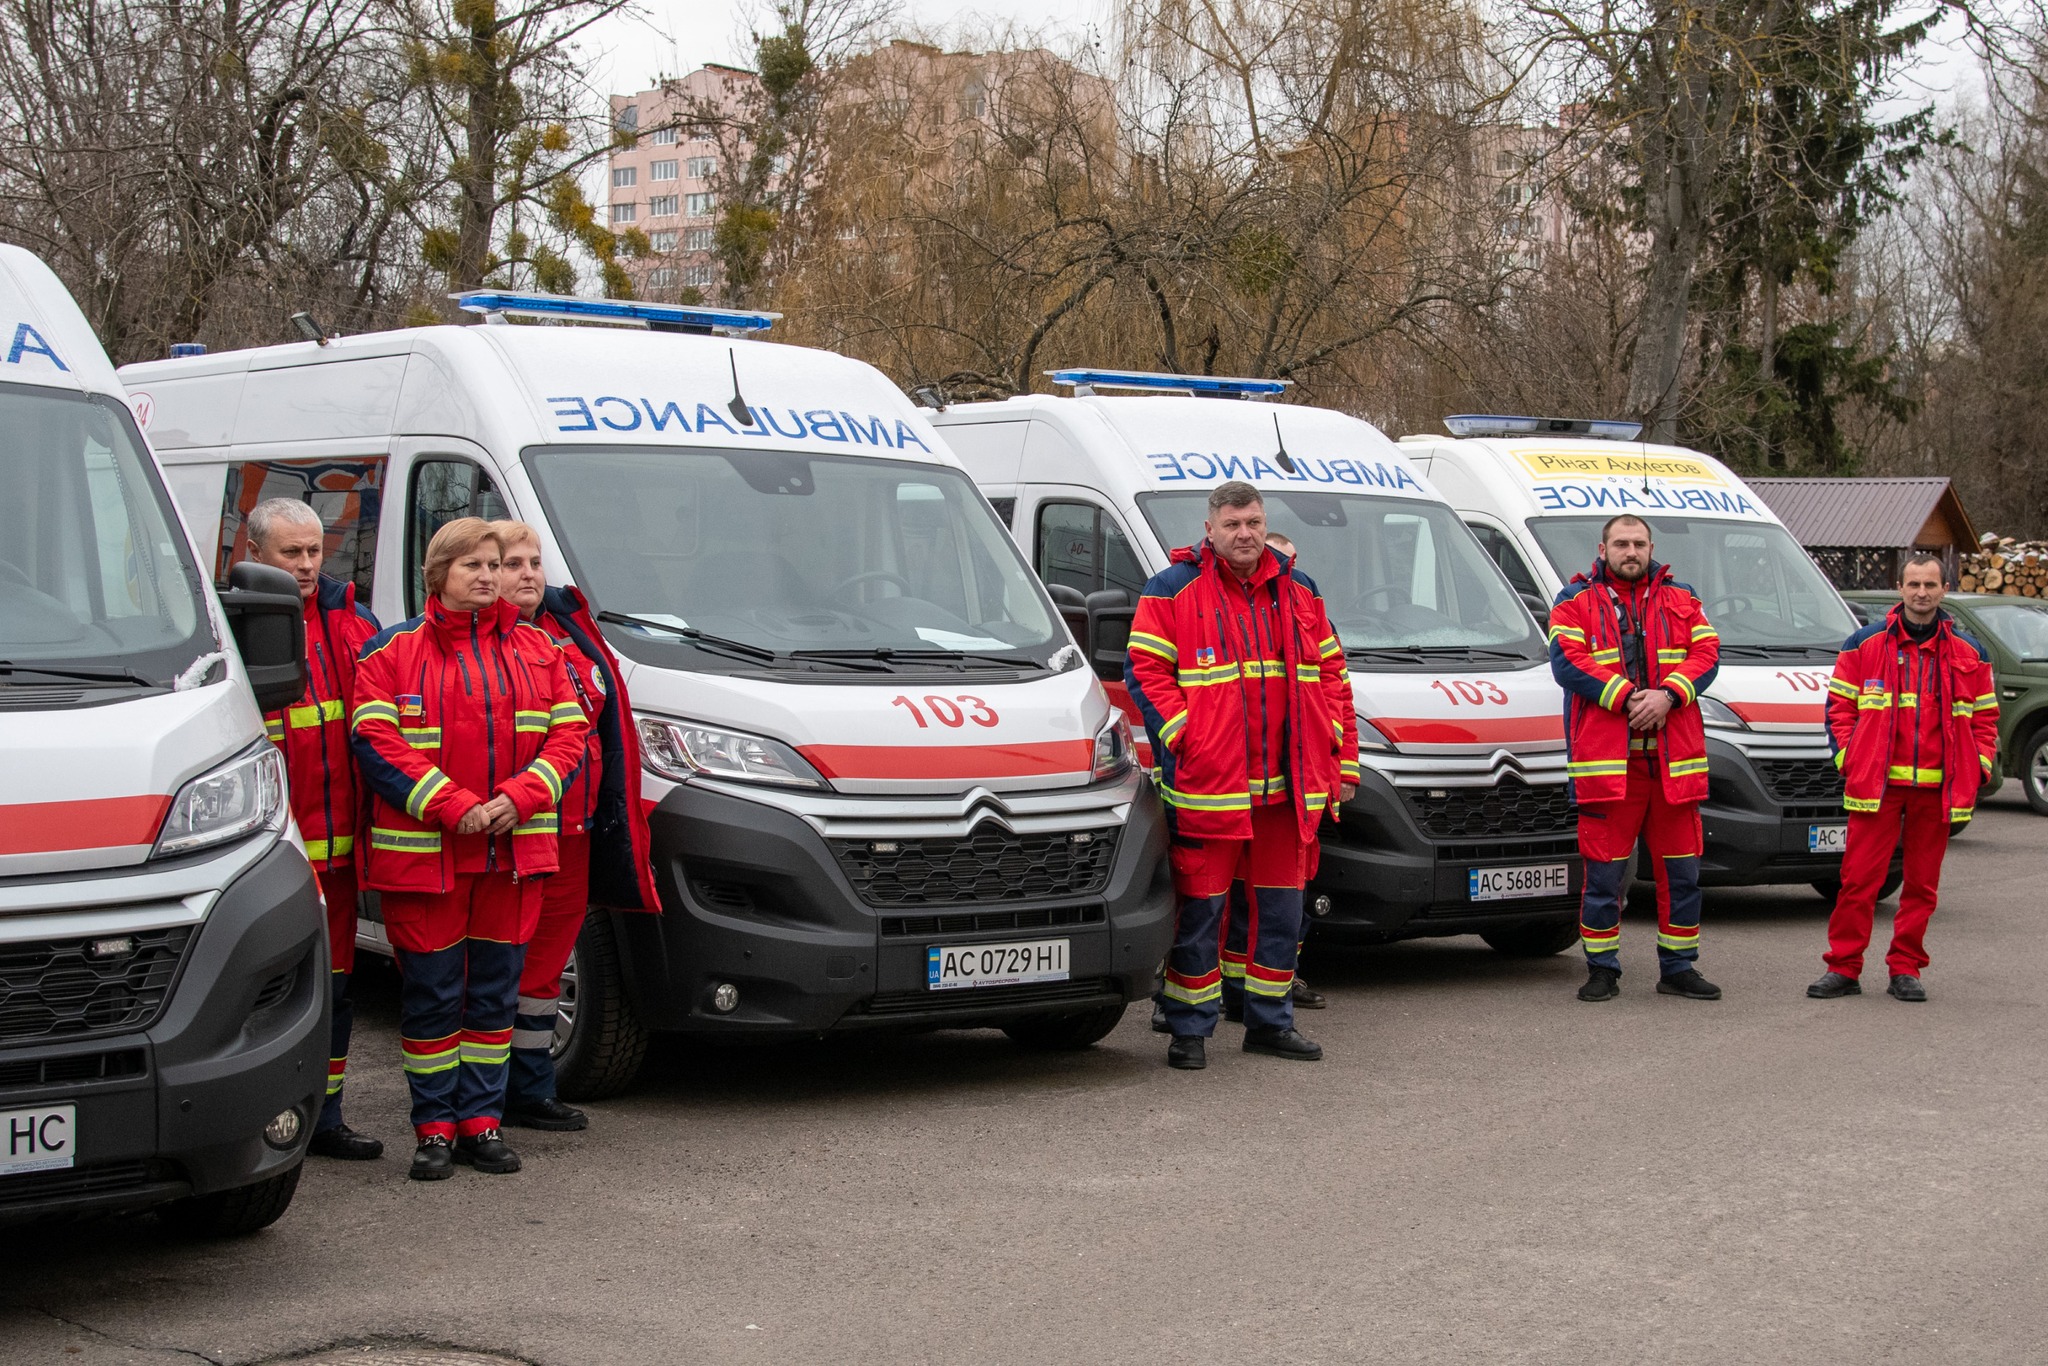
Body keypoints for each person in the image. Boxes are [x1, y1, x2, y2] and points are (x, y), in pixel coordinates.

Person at [350, 518, 589, 1181]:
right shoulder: (389, 653)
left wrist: (521, 797)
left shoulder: (541, 651)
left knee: (492, 998)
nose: (488, 576)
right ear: (438, 575)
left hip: (511, 858)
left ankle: (482, 1124)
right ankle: (433, 1130)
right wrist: (453, 806)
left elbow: (570, 737)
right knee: (432, 999)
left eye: (493, 565)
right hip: (427, 860)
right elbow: (377, 746)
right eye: (472, 566)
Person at [1126, 482, 1358, 1070]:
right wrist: (1186, 739)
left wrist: (1342, 758)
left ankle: (1269, 1021)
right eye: (1232, 524)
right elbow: (1146, 672)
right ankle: (1188, 1029)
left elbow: (1334, 680)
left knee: (1280, 913)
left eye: (1253, 522)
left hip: (1287, 791)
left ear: (1264, 523)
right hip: (1212, 785)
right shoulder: (1173, 589)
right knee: (1200, 913)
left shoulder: (1300, 591)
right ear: (1210, 529)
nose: (1245, 534)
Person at [491, 522, 660, 1130]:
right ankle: (482, 1098)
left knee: (546, 969)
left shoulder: (568, 633)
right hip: (514, 832)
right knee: (499, 966)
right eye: (513, 564)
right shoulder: (485, 646)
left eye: (534, 561)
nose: (529, 574)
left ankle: (530, 1091)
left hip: (577, 829)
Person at [244, 497, 384, 1161]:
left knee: (334, 993)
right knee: (261, 999)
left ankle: (324, 1118)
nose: (305, 566)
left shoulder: (355, 624)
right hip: (268, 858)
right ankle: (258, 1121)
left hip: (341, 857)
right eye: (290, 553)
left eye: (313, 552)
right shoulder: (235, 629)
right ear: (255, 556)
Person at [1809, 551, 1998, 1003]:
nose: (1921, 593)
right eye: (1913, 584)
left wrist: (1979, 769)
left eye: (1930, 585)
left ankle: (1905, 969)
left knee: (1920, 886)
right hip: (1877, 786)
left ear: (1944, 590)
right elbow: (1839, 711)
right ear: (1900, 588)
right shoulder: (1864, 644)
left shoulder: (1972, 653)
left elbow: (1986, 721)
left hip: (1938, 789)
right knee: (1858, 882)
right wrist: (1850, 762)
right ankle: (1844, 967)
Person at [1549, 514, 1721, 1002]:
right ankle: (1602, 969)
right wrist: (1629, 698)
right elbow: (1567, 662)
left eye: (1639, 543)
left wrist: (1668, 694)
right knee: (1603, 878)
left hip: (1673, 767)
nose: (1631, 551)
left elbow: (1706, 653)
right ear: (1602, 550)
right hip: (1610, 768)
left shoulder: (1683, 598)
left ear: (1651, 548)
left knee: (1682, 876)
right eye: (1621, 543)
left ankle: (1679, 968)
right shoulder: (1573, 601)